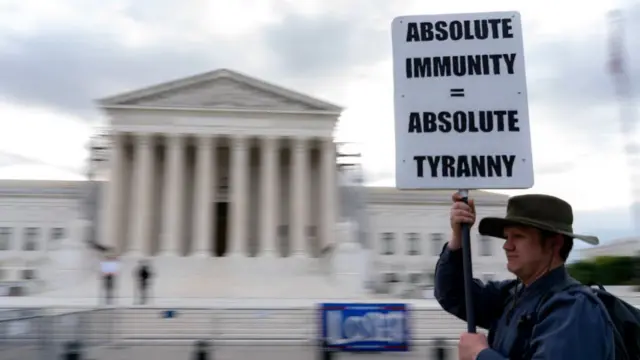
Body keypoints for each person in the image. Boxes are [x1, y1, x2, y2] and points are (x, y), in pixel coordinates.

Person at [435, 193, 615, 360]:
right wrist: (458, 236)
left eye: (518, 236)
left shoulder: (575, 309)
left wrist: (480, 354)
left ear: (555, 243)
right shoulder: (513, 295)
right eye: (507, 237)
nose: (507, 246)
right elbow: (452, 293)